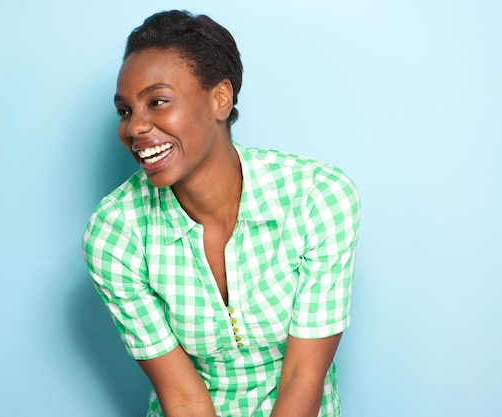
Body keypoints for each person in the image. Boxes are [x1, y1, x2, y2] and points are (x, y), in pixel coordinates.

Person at [83, 10, 360, 417]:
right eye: (125, 111)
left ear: (220, 98)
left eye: (157, 102)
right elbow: (182, 398)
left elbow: (303, 377)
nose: (135, 128)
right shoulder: (115, 234)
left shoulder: (318, 197)